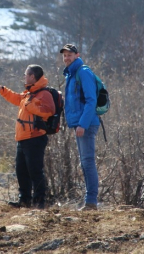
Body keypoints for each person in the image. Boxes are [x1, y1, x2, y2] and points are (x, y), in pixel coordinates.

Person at [0, 65, 55, 209]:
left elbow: (49, 111)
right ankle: (25, 200)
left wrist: (31, 107)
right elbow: (17, 99)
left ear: (32, 76)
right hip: (22, 138)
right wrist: (4, 91)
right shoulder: (29, 93)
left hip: (35, 137)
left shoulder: (44, 94)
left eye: (26, 74)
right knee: (21, 171)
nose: (24, 77)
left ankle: (39, 202)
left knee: (35, 171)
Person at [60, 44, 100, 211]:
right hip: (80, 124)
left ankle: (91, 202)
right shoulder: (71, 74)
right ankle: (89, 201)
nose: (66, 58)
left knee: (88, 162)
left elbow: (91, 100)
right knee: (85, 163)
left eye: (70, 54)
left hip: (87, 124)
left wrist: (82, 124)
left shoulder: (83, 72)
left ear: (77, 55)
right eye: (64, 55)